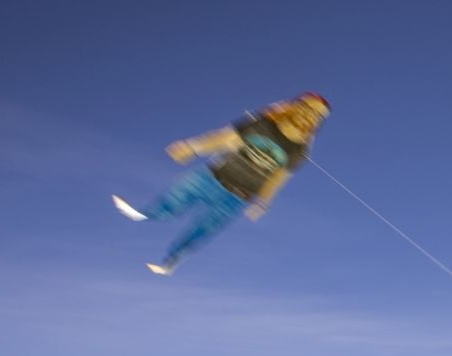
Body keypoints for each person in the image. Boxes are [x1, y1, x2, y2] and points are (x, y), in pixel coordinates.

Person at [113, 93, 330, 275]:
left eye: (317, 115)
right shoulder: (264, 122)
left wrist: (263, 202)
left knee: (204, 229)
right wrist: (193, 147)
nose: (310, 116)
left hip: (237, 197)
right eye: (308, 108)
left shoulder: (299, 151)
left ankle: (171, 262)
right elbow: (226, 138)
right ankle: (144, 214)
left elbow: (277, 179)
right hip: (212, 177)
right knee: (176, 200)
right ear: (296, 105)